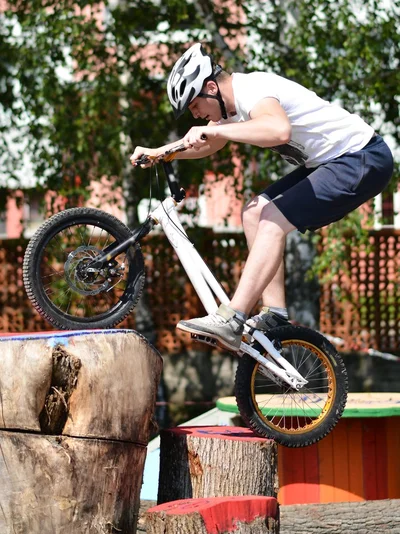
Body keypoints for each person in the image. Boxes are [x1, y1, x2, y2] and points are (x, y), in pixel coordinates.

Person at [130, 43, 394, 352]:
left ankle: (232, 316)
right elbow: (206, 143)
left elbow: (279, 130)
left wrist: (220, 132)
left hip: (362, 158)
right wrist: (160, 153)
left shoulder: (252, 90)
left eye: (194, 105)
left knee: (272, 219)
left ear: (212, 87)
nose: (197, 114)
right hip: (334, 162)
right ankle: (275, 313)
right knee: (254, 212)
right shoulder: (235, 104)